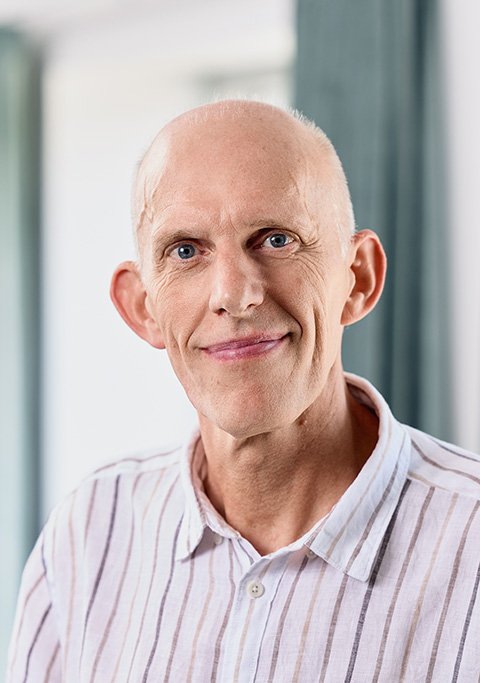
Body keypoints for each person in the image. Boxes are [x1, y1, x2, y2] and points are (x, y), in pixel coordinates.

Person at [7, 100, 480, 683]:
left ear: (357, 278)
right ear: (142, 308)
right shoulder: (86, 537)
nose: (233, 293)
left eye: (277, 239)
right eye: (186, 251)